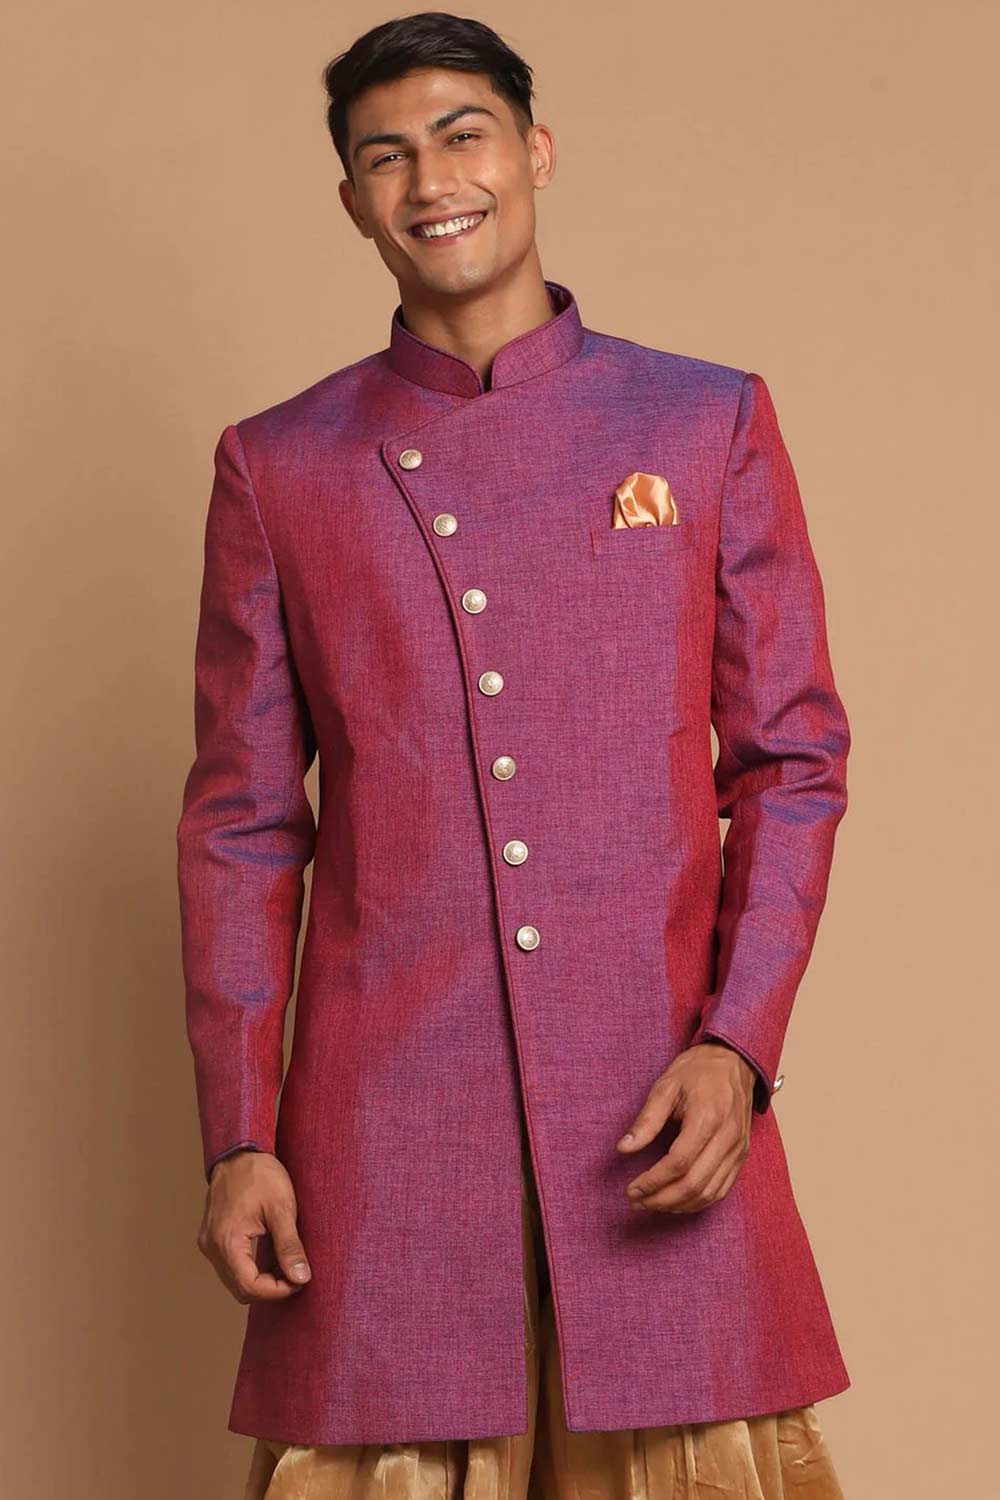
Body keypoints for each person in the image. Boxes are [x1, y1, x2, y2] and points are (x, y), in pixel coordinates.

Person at [176, 13, 852, 1499]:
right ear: (352, 201)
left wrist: (740, 1046)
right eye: (386, 156)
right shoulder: (279, 465)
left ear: (536, 151)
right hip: (387, 1128)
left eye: (462, 134)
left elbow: (792, 762)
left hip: (663, 1107)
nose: (432, 181)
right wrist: (238, 1133)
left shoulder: (705, 419)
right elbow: (242, 824)